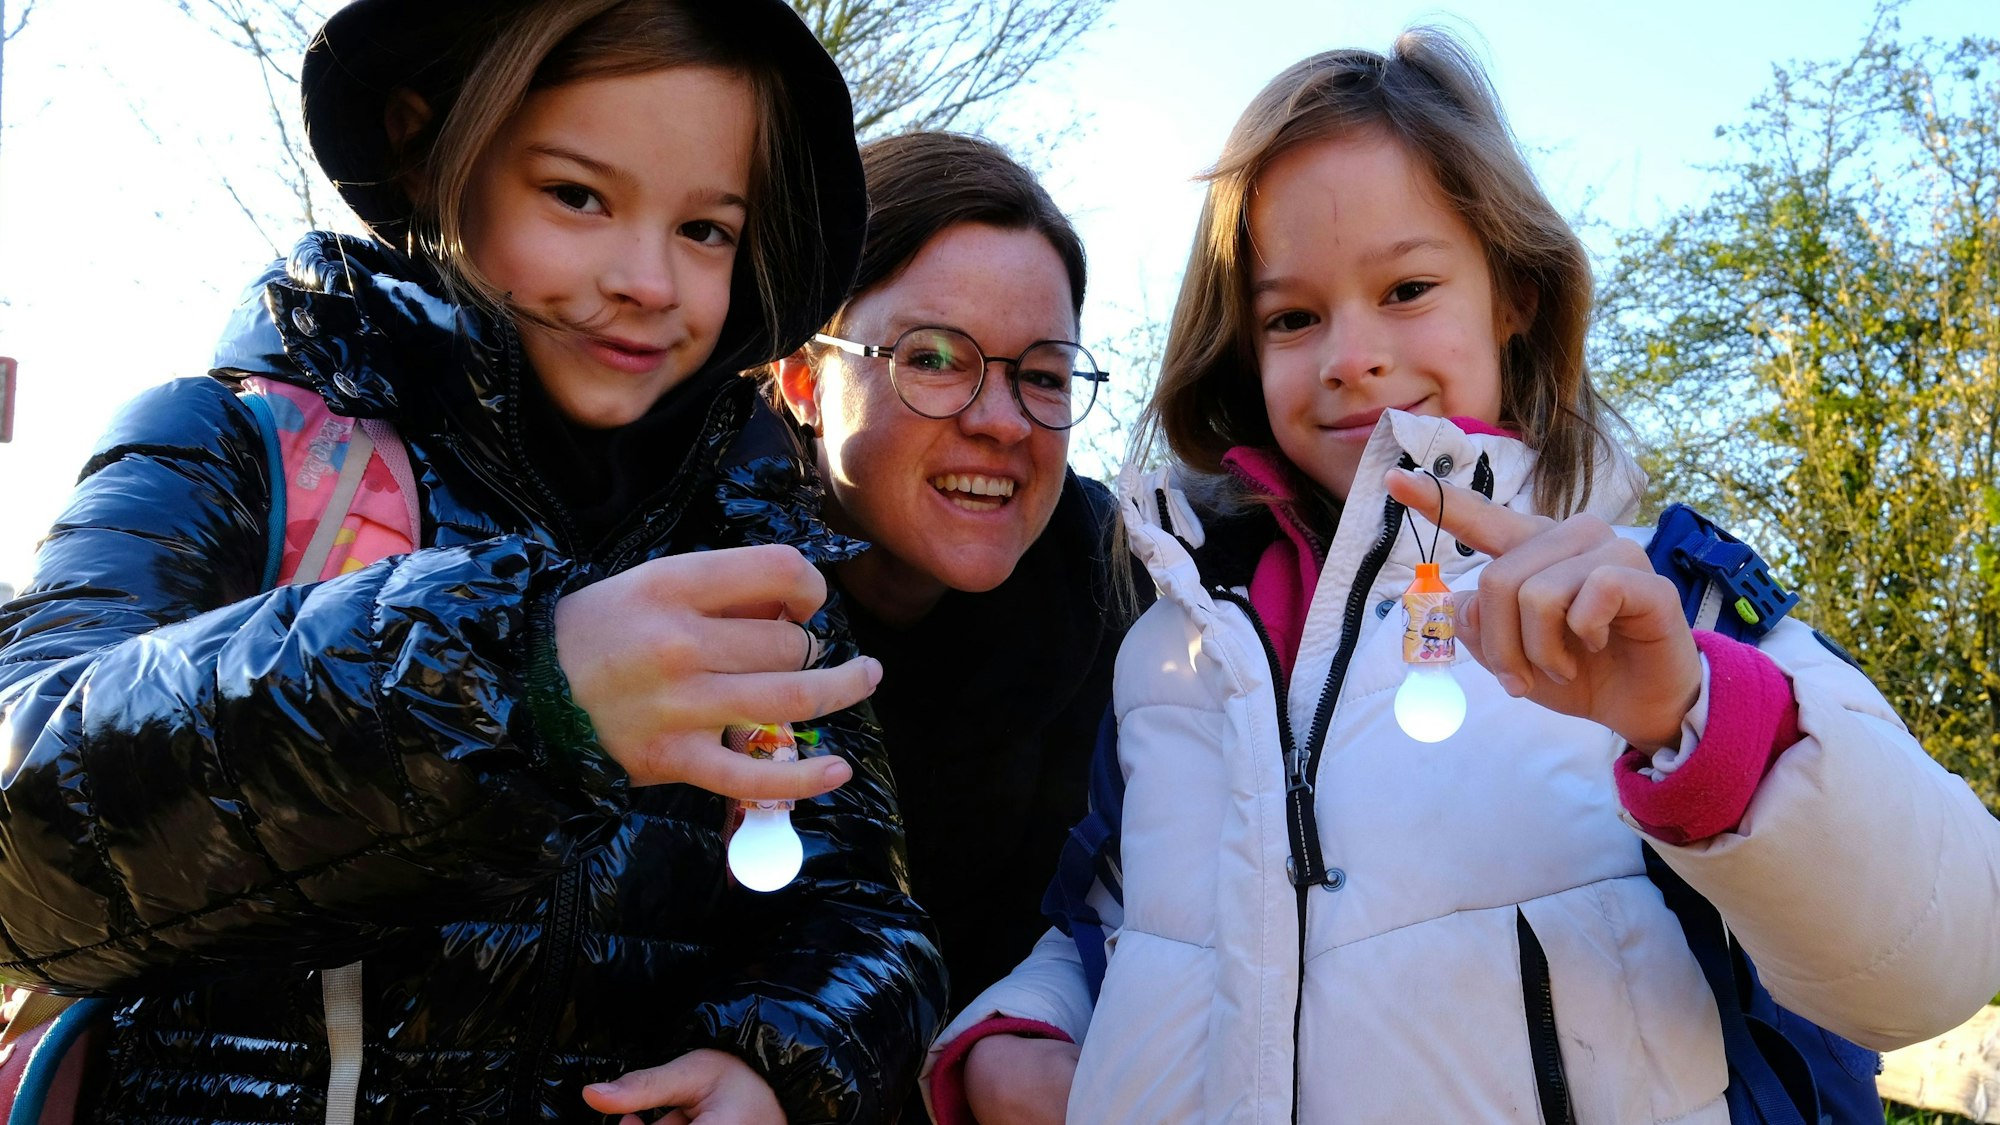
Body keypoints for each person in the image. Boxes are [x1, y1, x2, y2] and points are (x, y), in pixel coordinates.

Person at [925, 30, 2000, 1124]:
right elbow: (1126, 926)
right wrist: (1024, 1031)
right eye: (1291, 317)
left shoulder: (1659, 605)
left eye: (1405, 287)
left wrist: (1696, 721)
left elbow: (1938, 956)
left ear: (1515, 293)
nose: (1350, 353)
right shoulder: (1173, 644)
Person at [0, 1, 944, 1120]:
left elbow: (865, 911)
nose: (648, 279)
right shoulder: (232, 445)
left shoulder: (758, 543)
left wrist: (773, 1062)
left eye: (707, 230)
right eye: (577, 196)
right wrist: (513, 685)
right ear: (426, 146)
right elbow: (24, 833)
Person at [769, 131, 1131, 1016]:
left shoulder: (1130, 609)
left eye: (1043, 376)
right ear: (803, 381)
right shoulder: (673, 577)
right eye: (932, 358)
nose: (1003, 422)